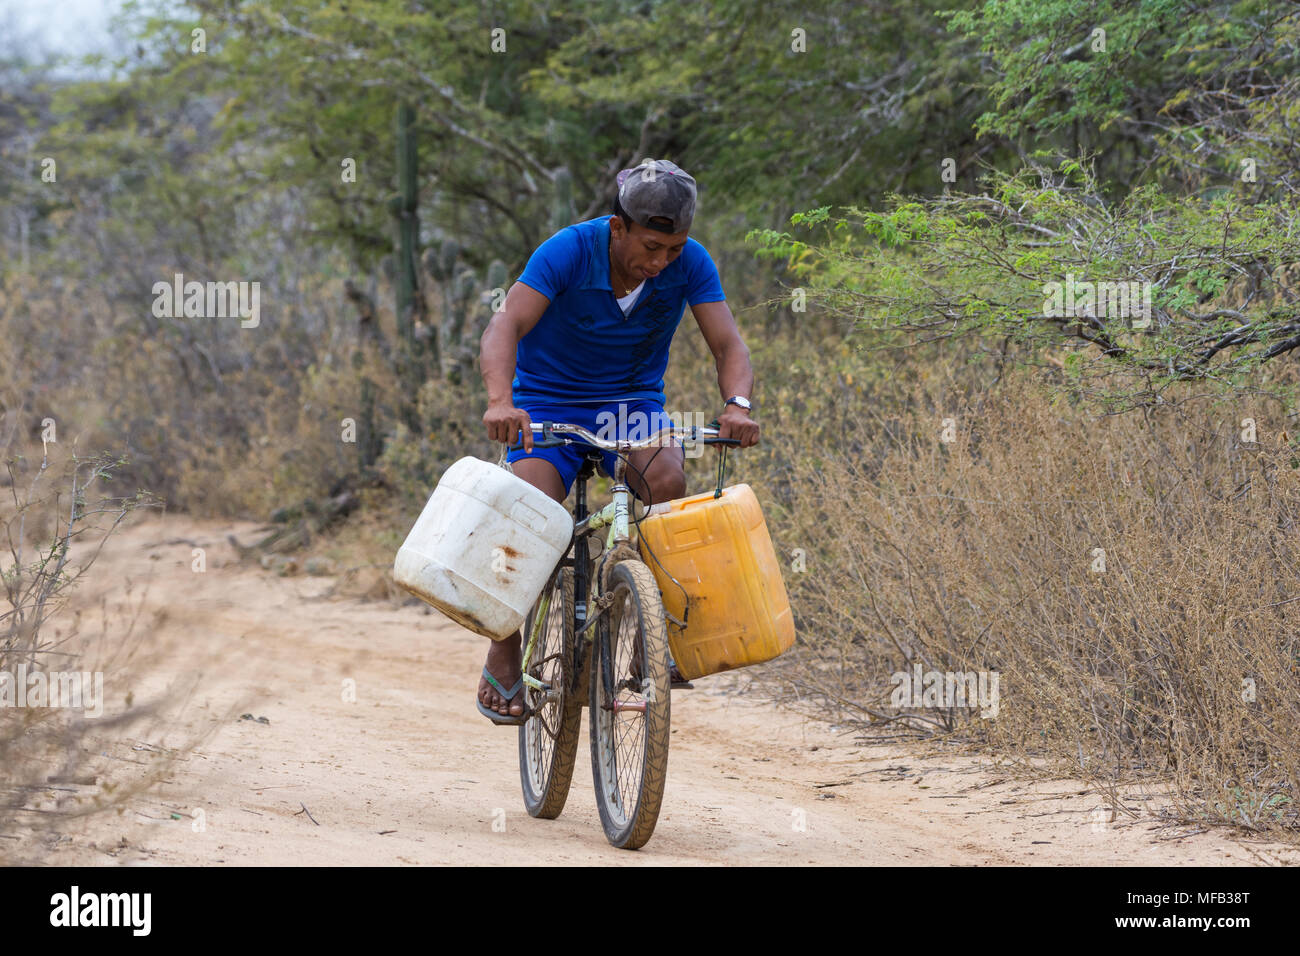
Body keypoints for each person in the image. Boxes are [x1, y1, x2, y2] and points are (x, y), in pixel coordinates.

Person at [476, 159, 759, 723]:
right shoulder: (568, 251)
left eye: (673, 251)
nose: (660, 263)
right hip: (547, 404)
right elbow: (503, 325)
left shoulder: (691, 264)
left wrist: (737, 405)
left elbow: (728, 346)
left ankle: (646, 628)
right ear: (618, 226)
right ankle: (504, 647)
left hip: (632, 407)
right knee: (527, 510)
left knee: (666, 478)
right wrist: (501, 402)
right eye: (651, 247)